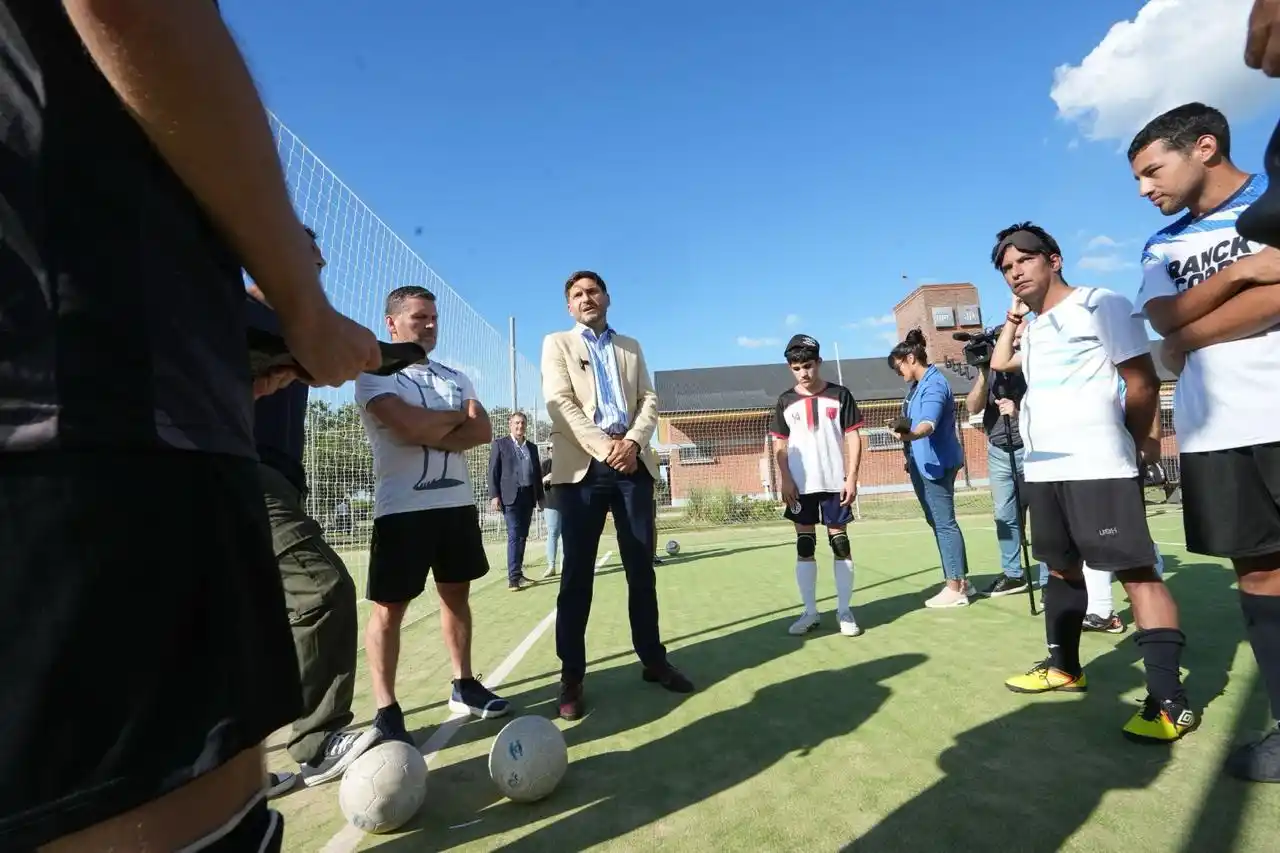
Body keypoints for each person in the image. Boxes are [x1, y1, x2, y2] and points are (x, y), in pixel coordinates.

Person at [0, 2, 381, 850]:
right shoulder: (243, 306)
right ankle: (320, 737)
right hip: (102, 424)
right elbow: (137, 12)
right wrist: (304, 307)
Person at [989, 222, 1196, 744]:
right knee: (1060, 569)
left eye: (1024, 261)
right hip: (1044, 468)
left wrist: (1139, 441)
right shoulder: (1033, 327)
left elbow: (1141, 380)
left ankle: (1171, 702)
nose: (1015, 273)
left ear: (1053, 259)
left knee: (1137, 574)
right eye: (1007, 268)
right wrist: (1014, 322)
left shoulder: (1101, 302)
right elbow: (1000, 364)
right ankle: (1064, 667)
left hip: (1099, 464)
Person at [1127, 103, 1280, 775]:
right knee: (1260, 573)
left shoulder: (1274, 199)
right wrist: (1243, 273)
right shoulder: (1160, 245)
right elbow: (1164, 323)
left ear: (1206, 147)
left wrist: (1190, 332)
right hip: (1217, 431)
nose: (1143, 189)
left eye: (1152, 170)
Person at [246, 227, 378, 797]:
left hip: (279, 477)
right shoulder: (228, 311)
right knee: (323, 589)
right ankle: (318, 741)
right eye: (309, 263)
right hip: (235, 469)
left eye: (321, 267)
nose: (317, 275)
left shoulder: (294, 325)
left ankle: (238, 777)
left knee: (243, 626)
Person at [355, 285, 511, 746]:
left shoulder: (456, 376)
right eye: (418, 317)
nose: (428, 325)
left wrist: (428, 426)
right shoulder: (374, 373)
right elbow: (405, 426)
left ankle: (463, 685)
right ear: (392, 323)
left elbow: (481, 430)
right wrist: (447, 422)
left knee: (456, 597)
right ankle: (386, 707)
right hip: (402, 509)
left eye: (433, 318)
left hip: (455, 506)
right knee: (389, 609)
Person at [541, 270, 693, 721]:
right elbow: (559, 404)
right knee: (577, 577)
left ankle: (652, 659)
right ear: (569, 306)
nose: (586, 298)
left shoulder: (631, 346)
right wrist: (606, 447)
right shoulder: (557, 344)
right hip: (583, 467)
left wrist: (632, 443)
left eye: (592, 291)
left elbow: (649, 399)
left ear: (607, 297)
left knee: (640, 569)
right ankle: (571, 675)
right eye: (576, 294)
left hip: (632, 465)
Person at [770, 335, 865, 637]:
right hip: (800, 485)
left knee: (840, 544)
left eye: (808, 366)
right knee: (805, 545)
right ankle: (810, 612)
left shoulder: (841, 395)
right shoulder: (785, 401)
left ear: (818, 363)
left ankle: (845, 611)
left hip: (834, 482)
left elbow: (853, 436)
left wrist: (851, 477)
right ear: (790, 368)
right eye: (796, 368)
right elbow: (779, 443)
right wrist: (785, 478)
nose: (803, 373)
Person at [888, 329, 972, 608]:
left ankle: (955, 587)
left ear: (911, 358)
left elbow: (929, 423)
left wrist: (910, 436)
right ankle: (959, 579)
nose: (898, 373)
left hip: (936, 464)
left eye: (899, 366)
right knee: (938, 521)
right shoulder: (916, 387)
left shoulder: (934, 384)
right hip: (921, 463)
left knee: (944, 522)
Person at [963, 341, 1029, 599]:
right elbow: (972, 407)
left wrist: (1017, 412)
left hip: (1030, 448)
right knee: (1004, 515)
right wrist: (983, 374)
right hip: (999, 452)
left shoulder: (1031, 366)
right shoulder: (990, 375)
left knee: (1044, 513)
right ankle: (1013, 574)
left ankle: (1050, 577)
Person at [488, 411, 545, 591]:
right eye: (516, 423)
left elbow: (537, 475)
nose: (520, 426)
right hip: (510, 497)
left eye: (523, 423)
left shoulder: (532, 448)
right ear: (510, 425)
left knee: (522, 536)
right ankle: (513, 579)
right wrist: (494, 495)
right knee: (514, 534)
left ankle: (518, 573)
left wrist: (540, 498)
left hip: (528, 495)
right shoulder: (500, 445)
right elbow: (493, 472)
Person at [541, 449, 563, 578]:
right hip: (550, 503)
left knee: (565, 533)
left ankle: (565, 565)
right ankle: (551, 566)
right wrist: (545, 478)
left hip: (566, 502)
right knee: (553, 532)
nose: (553, 451)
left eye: (555, 448)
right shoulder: (545, 464)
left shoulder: (567, 463)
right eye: (550, 449)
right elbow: (538, 483)